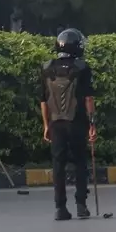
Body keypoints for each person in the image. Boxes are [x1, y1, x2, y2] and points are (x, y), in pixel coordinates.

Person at [39, 29, 97, 221]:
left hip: (56, 123)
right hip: (77, 122)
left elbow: (44, 100)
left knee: (58, 165)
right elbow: (88, 99)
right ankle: (81, 205)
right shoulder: (82, 67)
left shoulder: (47, 67)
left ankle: (60, 207)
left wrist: (46, 125)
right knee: (80, 163)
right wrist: (92, 124)